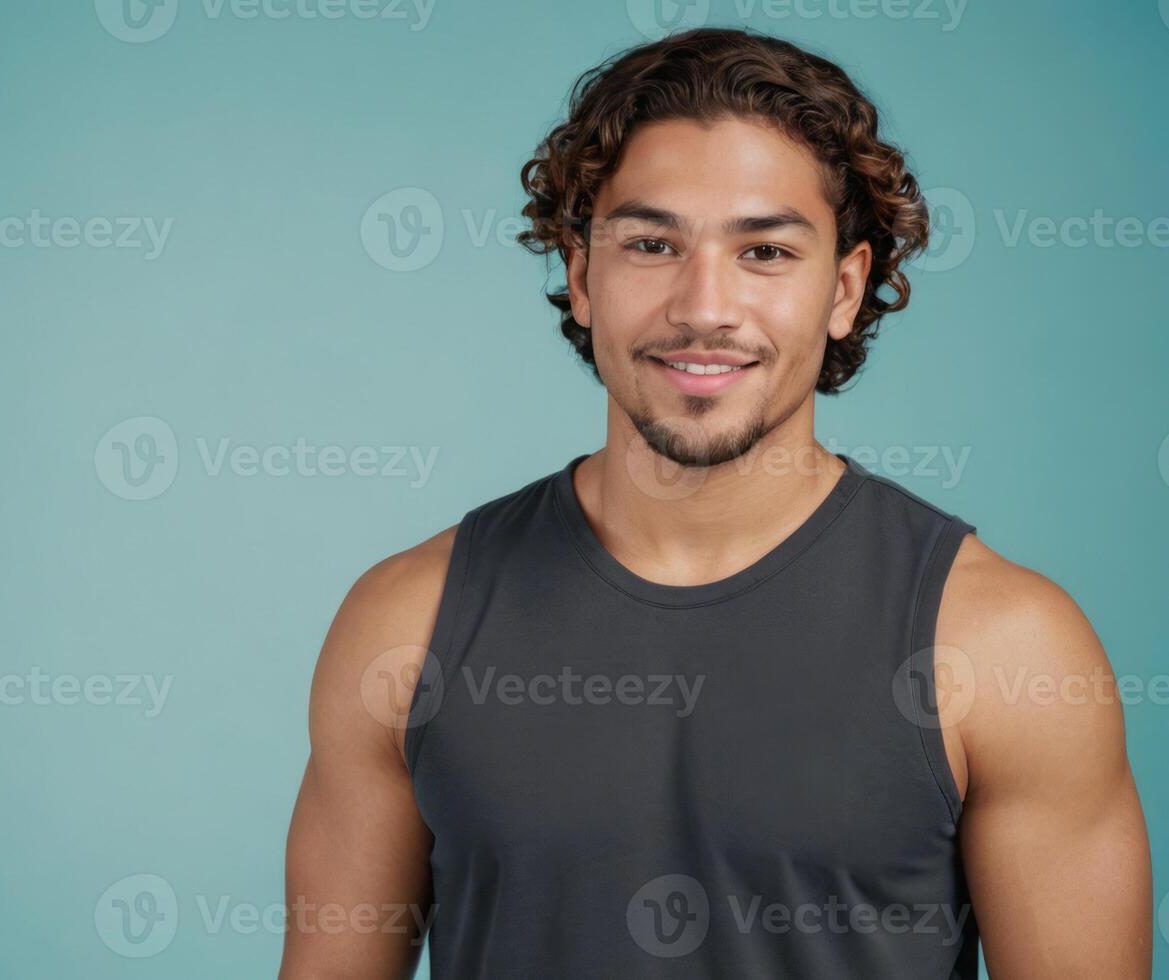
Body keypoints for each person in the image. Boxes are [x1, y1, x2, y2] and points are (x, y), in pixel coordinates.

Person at [279, 27, 1152, 979]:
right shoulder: (405, 622)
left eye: (765, 251)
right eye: (651, 243)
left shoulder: (1002, 645)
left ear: (844, 288)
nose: (702, 306)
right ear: (579, 275)